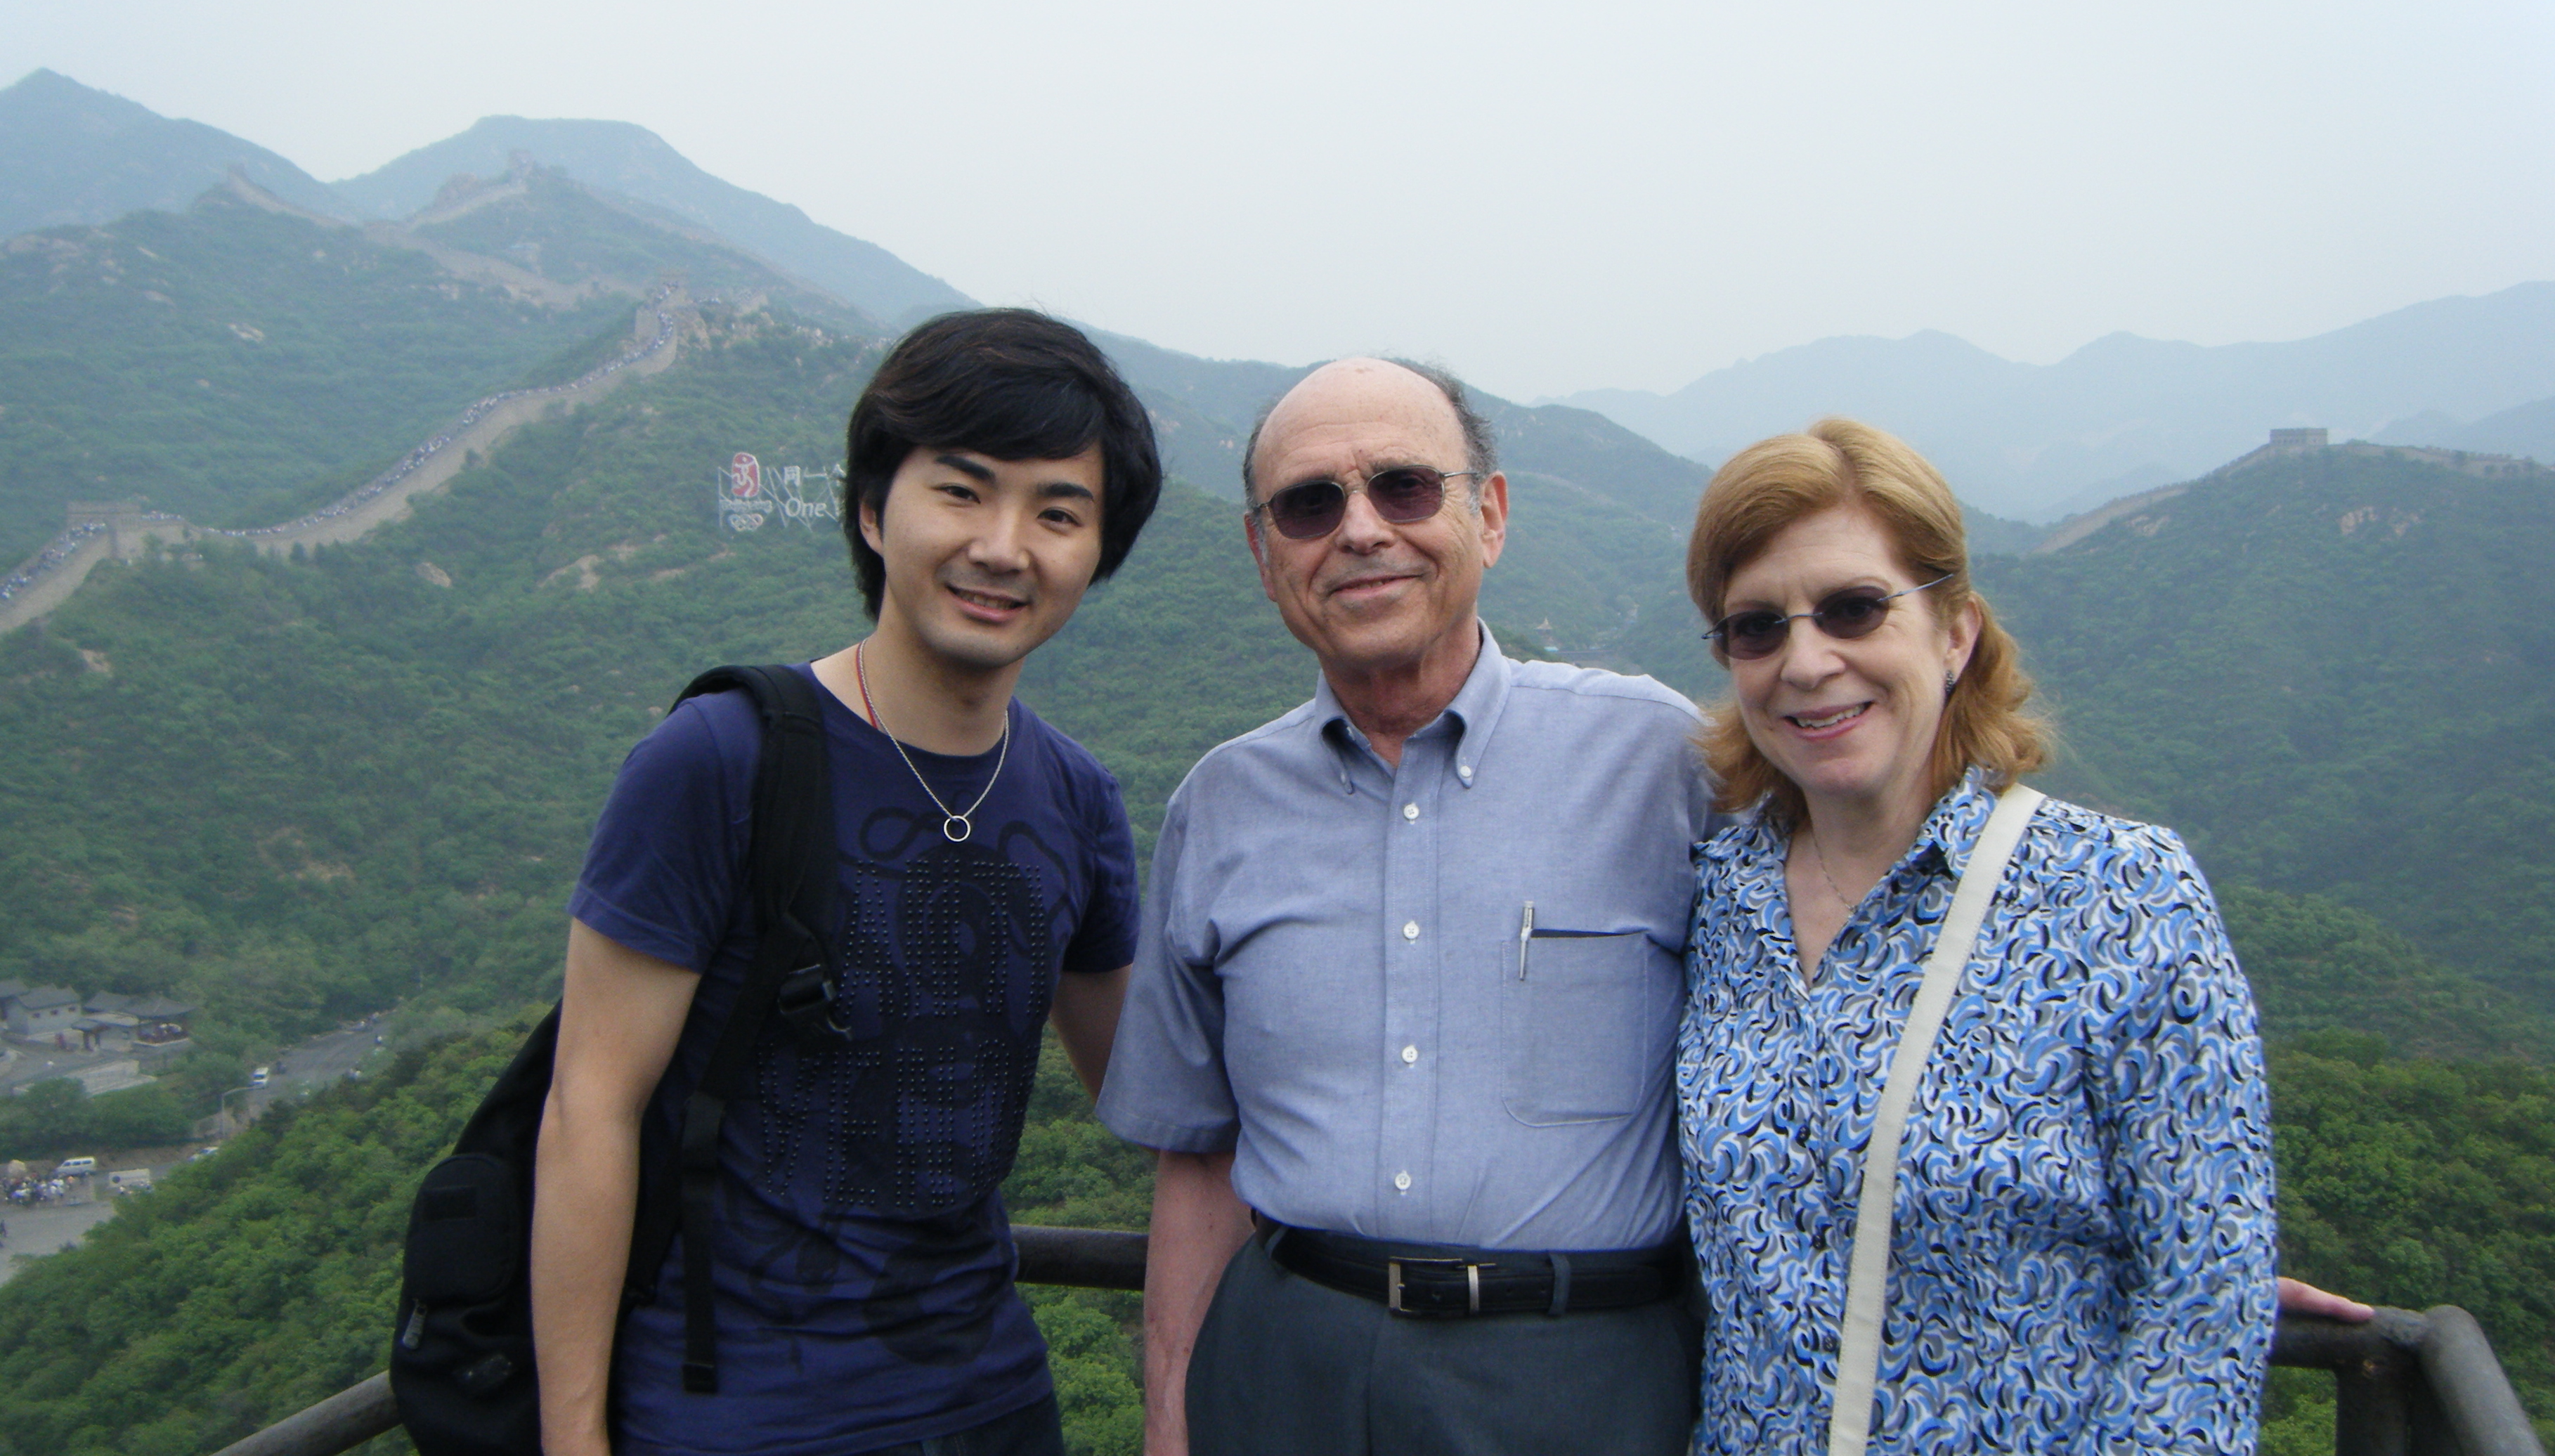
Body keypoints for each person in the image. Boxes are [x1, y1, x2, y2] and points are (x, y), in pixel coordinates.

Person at [529, 310, 1162, 1456]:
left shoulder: (1076, 799)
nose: (1004, 546)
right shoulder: (722, 760)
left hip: (993, 1403)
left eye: (1057, 513)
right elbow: (590, 1114)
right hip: (737, 1411)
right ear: (874, 511)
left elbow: (1146, 1090)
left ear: (1096, 556)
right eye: (961, 492)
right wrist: (573, 1441)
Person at [1097, 358, 1718, 1455]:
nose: (1361, 529)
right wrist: (1168, 1417)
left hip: (1585, 1376)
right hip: (1287, 1369)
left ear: (1491, 513)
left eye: (1406, 486)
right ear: (1261, 553)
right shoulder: (1222, 807)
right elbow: (1196, 1157)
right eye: (1308, 504)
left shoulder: (1658, 760)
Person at [1674, 417, 2280, 1453]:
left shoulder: (2120, 896)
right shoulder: (1718, 891)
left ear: (1955, 633)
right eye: (1757, 628)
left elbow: (2204, 1299)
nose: (1806, 661)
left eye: (1855, 610)